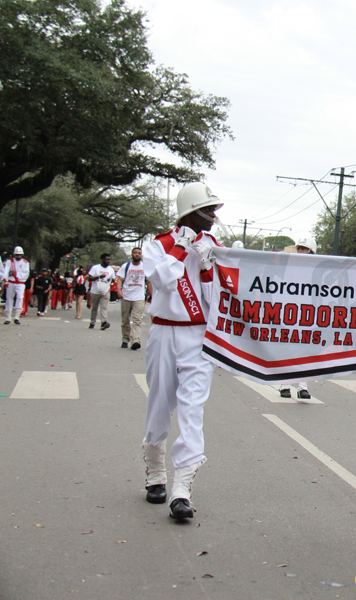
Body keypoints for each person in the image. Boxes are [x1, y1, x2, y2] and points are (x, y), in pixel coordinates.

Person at [142, 181, 223, 520]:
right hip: (164, 331)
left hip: (198, 336)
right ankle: (155, 473)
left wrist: (206, 267)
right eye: (209, 212)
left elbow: (215, 298)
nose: (214, 219)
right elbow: (161, 281)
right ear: (191, 212)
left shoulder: (214, 246)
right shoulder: (157, 244)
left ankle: (182, 489)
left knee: (193, 409)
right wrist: (180, 249)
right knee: (160, 404)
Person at [278, 238, 315, 400]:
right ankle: (285, 385)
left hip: (309, 316)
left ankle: (303, 386)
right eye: (300, 248)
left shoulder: (317, 271)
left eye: (305, 249)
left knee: (305, 351)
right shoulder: (289, 268)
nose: (301, 252)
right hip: (290, 314)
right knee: (287, 349)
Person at [117, 248, 150, 350]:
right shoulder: (126, 266)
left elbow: (148, 281)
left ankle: (135, 340)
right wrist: (119, 291)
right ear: (132, 254)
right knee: (125, 319)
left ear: (141, 255)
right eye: (135, 253)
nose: (137, 255)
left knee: (137, 320)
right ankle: (125, 339)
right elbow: (120, 279)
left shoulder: (145, 267)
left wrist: (151, 293)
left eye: (139, 253)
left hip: (139, 298)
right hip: (126, 296)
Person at [87, 254, 116, 330]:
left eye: (109, 259)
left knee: (104, 307)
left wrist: (112, 280)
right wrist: (99, 277)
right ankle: (92, 322)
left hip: (105, 291)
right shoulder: (95, 268)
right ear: (102, 259)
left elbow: (113, 279)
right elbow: (89, 278)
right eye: (107, 259)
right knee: (94, 308)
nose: (108, 261)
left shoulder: (111, 269)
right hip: (95, 291)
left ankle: (103, 322)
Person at [2, 246, 29, 324]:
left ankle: (16, 317)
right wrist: (5, 279)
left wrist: (15, 274)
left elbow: (25, 274)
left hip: (20, 283)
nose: (18, 256)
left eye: (19, 254)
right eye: (17, 254)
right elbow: (5, 271)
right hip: (11, 282)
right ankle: (8, 318)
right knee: (9, 299)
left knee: (20, 298)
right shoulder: (9, 262)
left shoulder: (25, 263)